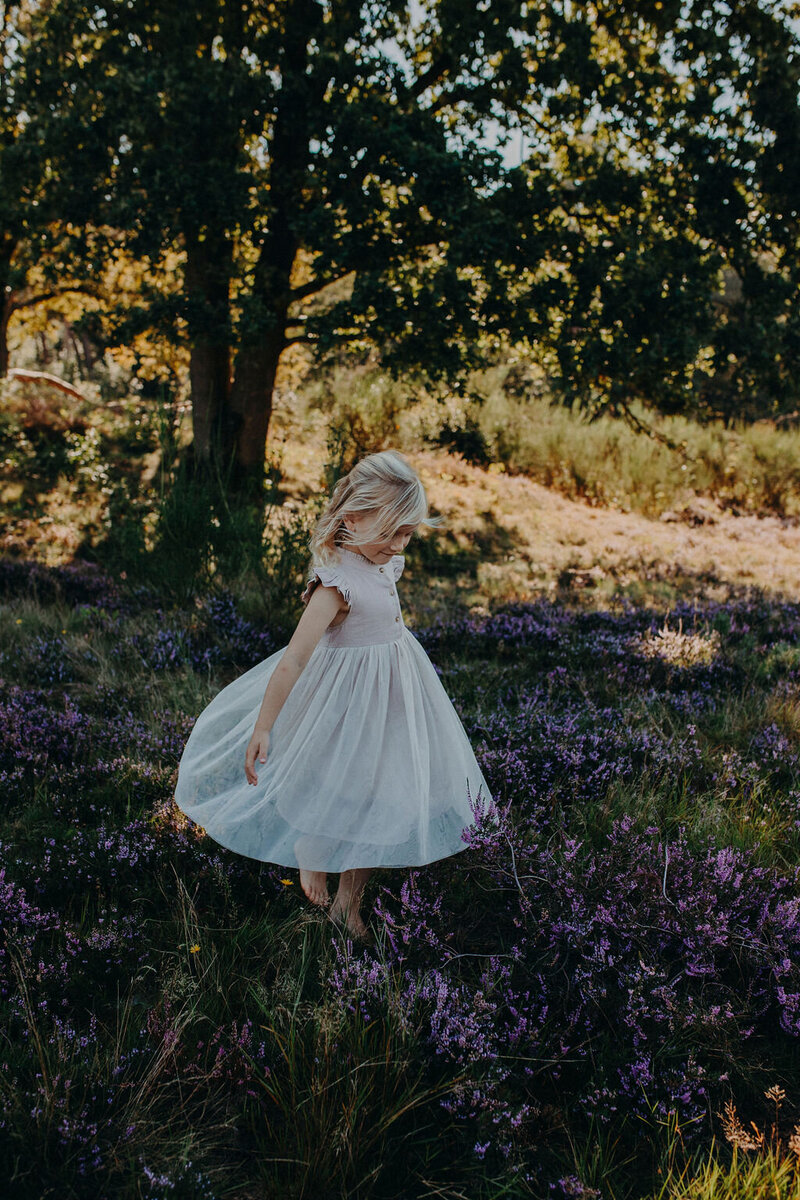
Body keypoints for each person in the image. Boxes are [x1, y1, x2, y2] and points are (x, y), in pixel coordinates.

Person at [173, 449, 494, 943]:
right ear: (354, 517)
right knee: (346, 795)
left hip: (393, 701)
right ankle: (314, 849)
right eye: (391, 533)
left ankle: (348, 902)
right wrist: (263, 726)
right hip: (348, 708)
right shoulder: (335, 586)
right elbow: (294, 659)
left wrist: (389, 549)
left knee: (388, 797)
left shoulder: (383, 562)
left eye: (407, 533)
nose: (400, 545)